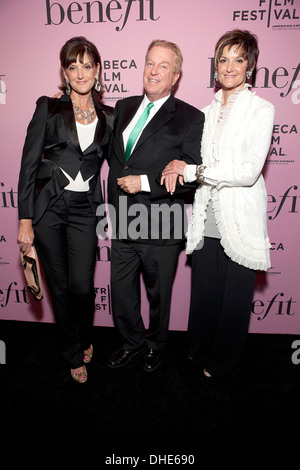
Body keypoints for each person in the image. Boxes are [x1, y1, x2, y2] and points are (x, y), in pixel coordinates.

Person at [162, 30, 275, 377]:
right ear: (215, 65)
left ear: (251, 66)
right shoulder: (205, 112)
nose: (230, 66)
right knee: (206, 292)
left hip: (239, 216)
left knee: (234, 298)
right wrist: (174, 165)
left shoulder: (261, 109)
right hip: (208, 213)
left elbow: (249, 171)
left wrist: (193, 169)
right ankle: (198, 348)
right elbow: (188, 157)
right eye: (223, 59)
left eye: (239, 59)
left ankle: (223, 360)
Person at [17, 36, 114, 383]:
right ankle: (73, 351)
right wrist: (24, 220)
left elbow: (121, 163)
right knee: (59, 286)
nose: (81, 72)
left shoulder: (110, 116)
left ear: (98, 69)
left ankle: (83, 334)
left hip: (85, 208)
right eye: (73, 66)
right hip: (48, 208)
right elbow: (28, 165)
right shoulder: (48, 107)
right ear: (65, 71)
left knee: (82, 287)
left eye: (87, 65)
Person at [107, 40, 205, 372]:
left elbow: (191, 175)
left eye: (163, 66)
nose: (154, 71)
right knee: (121, 293)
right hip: (121, 218)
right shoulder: (123, 106)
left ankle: (154, 344)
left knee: (158, 294)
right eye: (150, 63)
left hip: (161, 221)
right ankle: (132, 342)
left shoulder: (190, 118)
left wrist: (145, 181)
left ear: (176, 76)